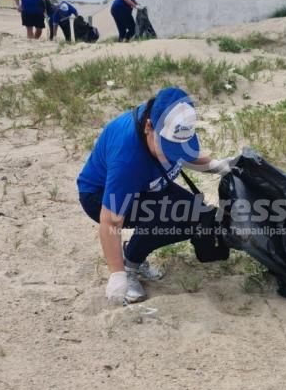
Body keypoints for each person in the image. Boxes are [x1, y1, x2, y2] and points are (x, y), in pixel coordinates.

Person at [77, 87, 233, 304]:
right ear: (149, 126)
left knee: (198, 216)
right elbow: (111, 220)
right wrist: (117, 275)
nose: (172, 155)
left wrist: (214, 165)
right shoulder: (128, 161)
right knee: (171, 217)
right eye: (167, 147)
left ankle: (133, 255)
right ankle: (130, 266)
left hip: (147, 185)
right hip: (99, 194)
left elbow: (184, 152)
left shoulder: (165, 118)